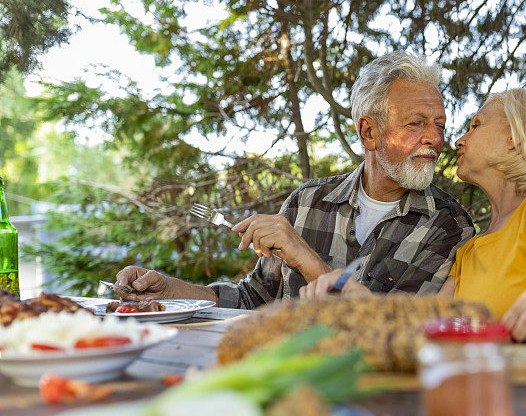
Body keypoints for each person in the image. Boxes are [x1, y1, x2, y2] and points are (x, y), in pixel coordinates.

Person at [113, 51, 474, 308]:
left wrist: (308, 261)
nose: (435, 137)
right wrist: (169, 293)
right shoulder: (306, 203)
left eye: (439, 125)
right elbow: (254, 299)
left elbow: (395, 333)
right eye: (416, 123)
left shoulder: (449, 227)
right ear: (368, 132)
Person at [302, 88, 526, 345]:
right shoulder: (471, 247)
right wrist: (361, 300)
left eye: (476, 125)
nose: (455, 141)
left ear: (516, 135)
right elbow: (423, 325)